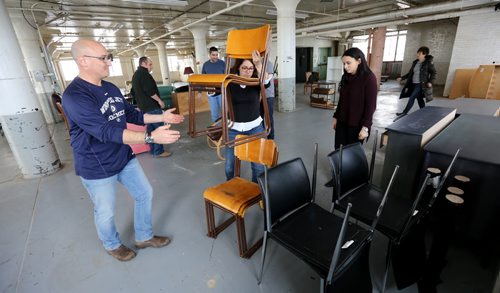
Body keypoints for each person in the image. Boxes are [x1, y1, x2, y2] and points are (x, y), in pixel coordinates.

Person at [62, 39, 184, 262]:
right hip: (96, 164)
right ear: (83, 61)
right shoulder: (75, 95)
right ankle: (112, 244)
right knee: (106, 211)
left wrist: (161, 116)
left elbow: (133, 114)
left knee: (144, 193)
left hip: (123, 156)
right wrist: (150, 136)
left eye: (109, 57)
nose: (109, 62)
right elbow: (105, 131)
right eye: (103, 58)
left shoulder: (109, 87)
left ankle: (144, 236)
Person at [225, 50, 271, 183]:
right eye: (244, 67)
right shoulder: (230, 83)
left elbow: (267, 81)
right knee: (229, 166)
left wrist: (258, 63)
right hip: (233, 129)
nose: (248, 71)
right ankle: (232, 186)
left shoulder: (256, 82)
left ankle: (257, 190)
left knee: (258, 165)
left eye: (250, 68)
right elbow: (214, 92)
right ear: (238, 68)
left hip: (255, 128)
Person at [332, 47, 377, 149]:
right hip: (342, 121)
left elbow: (371, 106)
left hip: (356, 124)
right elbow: (342, 100)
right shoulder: (345, 77)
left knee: (352, 152)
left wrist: (365, 127)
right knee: (338, 148)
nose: (345, 66)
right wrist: (336, 117)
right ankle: (339, 165)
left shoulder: (369, 78)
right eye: (344, 64)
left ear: (359, 61)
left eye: (348, 63)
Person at [131, 56, 172, 158]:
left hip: (144, 108)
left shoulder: (136, 75)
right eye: (150, 64)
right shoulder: (144, 74)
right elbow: (150, 91)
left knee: (150, 131)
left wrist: (140, 103)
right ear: (143, 64)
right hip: (152, 106)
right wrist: (160, 101)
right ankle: (158, 152)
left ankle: (153, 150)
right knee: (159, 129)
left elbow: (132, 92)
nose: (151, 67)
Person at [396, 46, 436, 117]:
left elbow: (433, 73)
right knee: (419, 99)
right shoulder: (415, 62)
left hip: (420, 84)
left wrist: (430, 82)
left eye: (419, 53)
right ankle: (424, 112)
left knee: (412, 97)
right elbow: (410, 73)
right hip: (413, 84)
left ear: (424, 54)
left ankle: (404, 112)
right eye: (418, 53)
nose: (417, 54)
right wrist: (402, 78)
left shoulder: (428, 63)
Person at [202, 47, 226, 122]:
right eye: (213, 55)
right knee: (214, 113)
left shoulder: (222, 63)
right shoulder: (205, 65)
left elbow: (227, 76)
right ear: (209, 55)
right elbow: (203, 78)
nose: (215, 57)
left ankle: (226, 128)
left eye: (216, 55)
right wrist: (200, 92)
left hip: (222, 90)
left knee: (224, 112)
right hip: (211, 91)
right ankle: (216, 130)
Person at [260, 60, 276, 139]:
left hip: (268, 95)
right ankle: (262, 136)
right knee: (259, 118)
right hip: (259, 96)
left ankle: (271, 139)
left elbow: (266, 80)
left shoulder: (268, 63)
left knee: (269, 118)